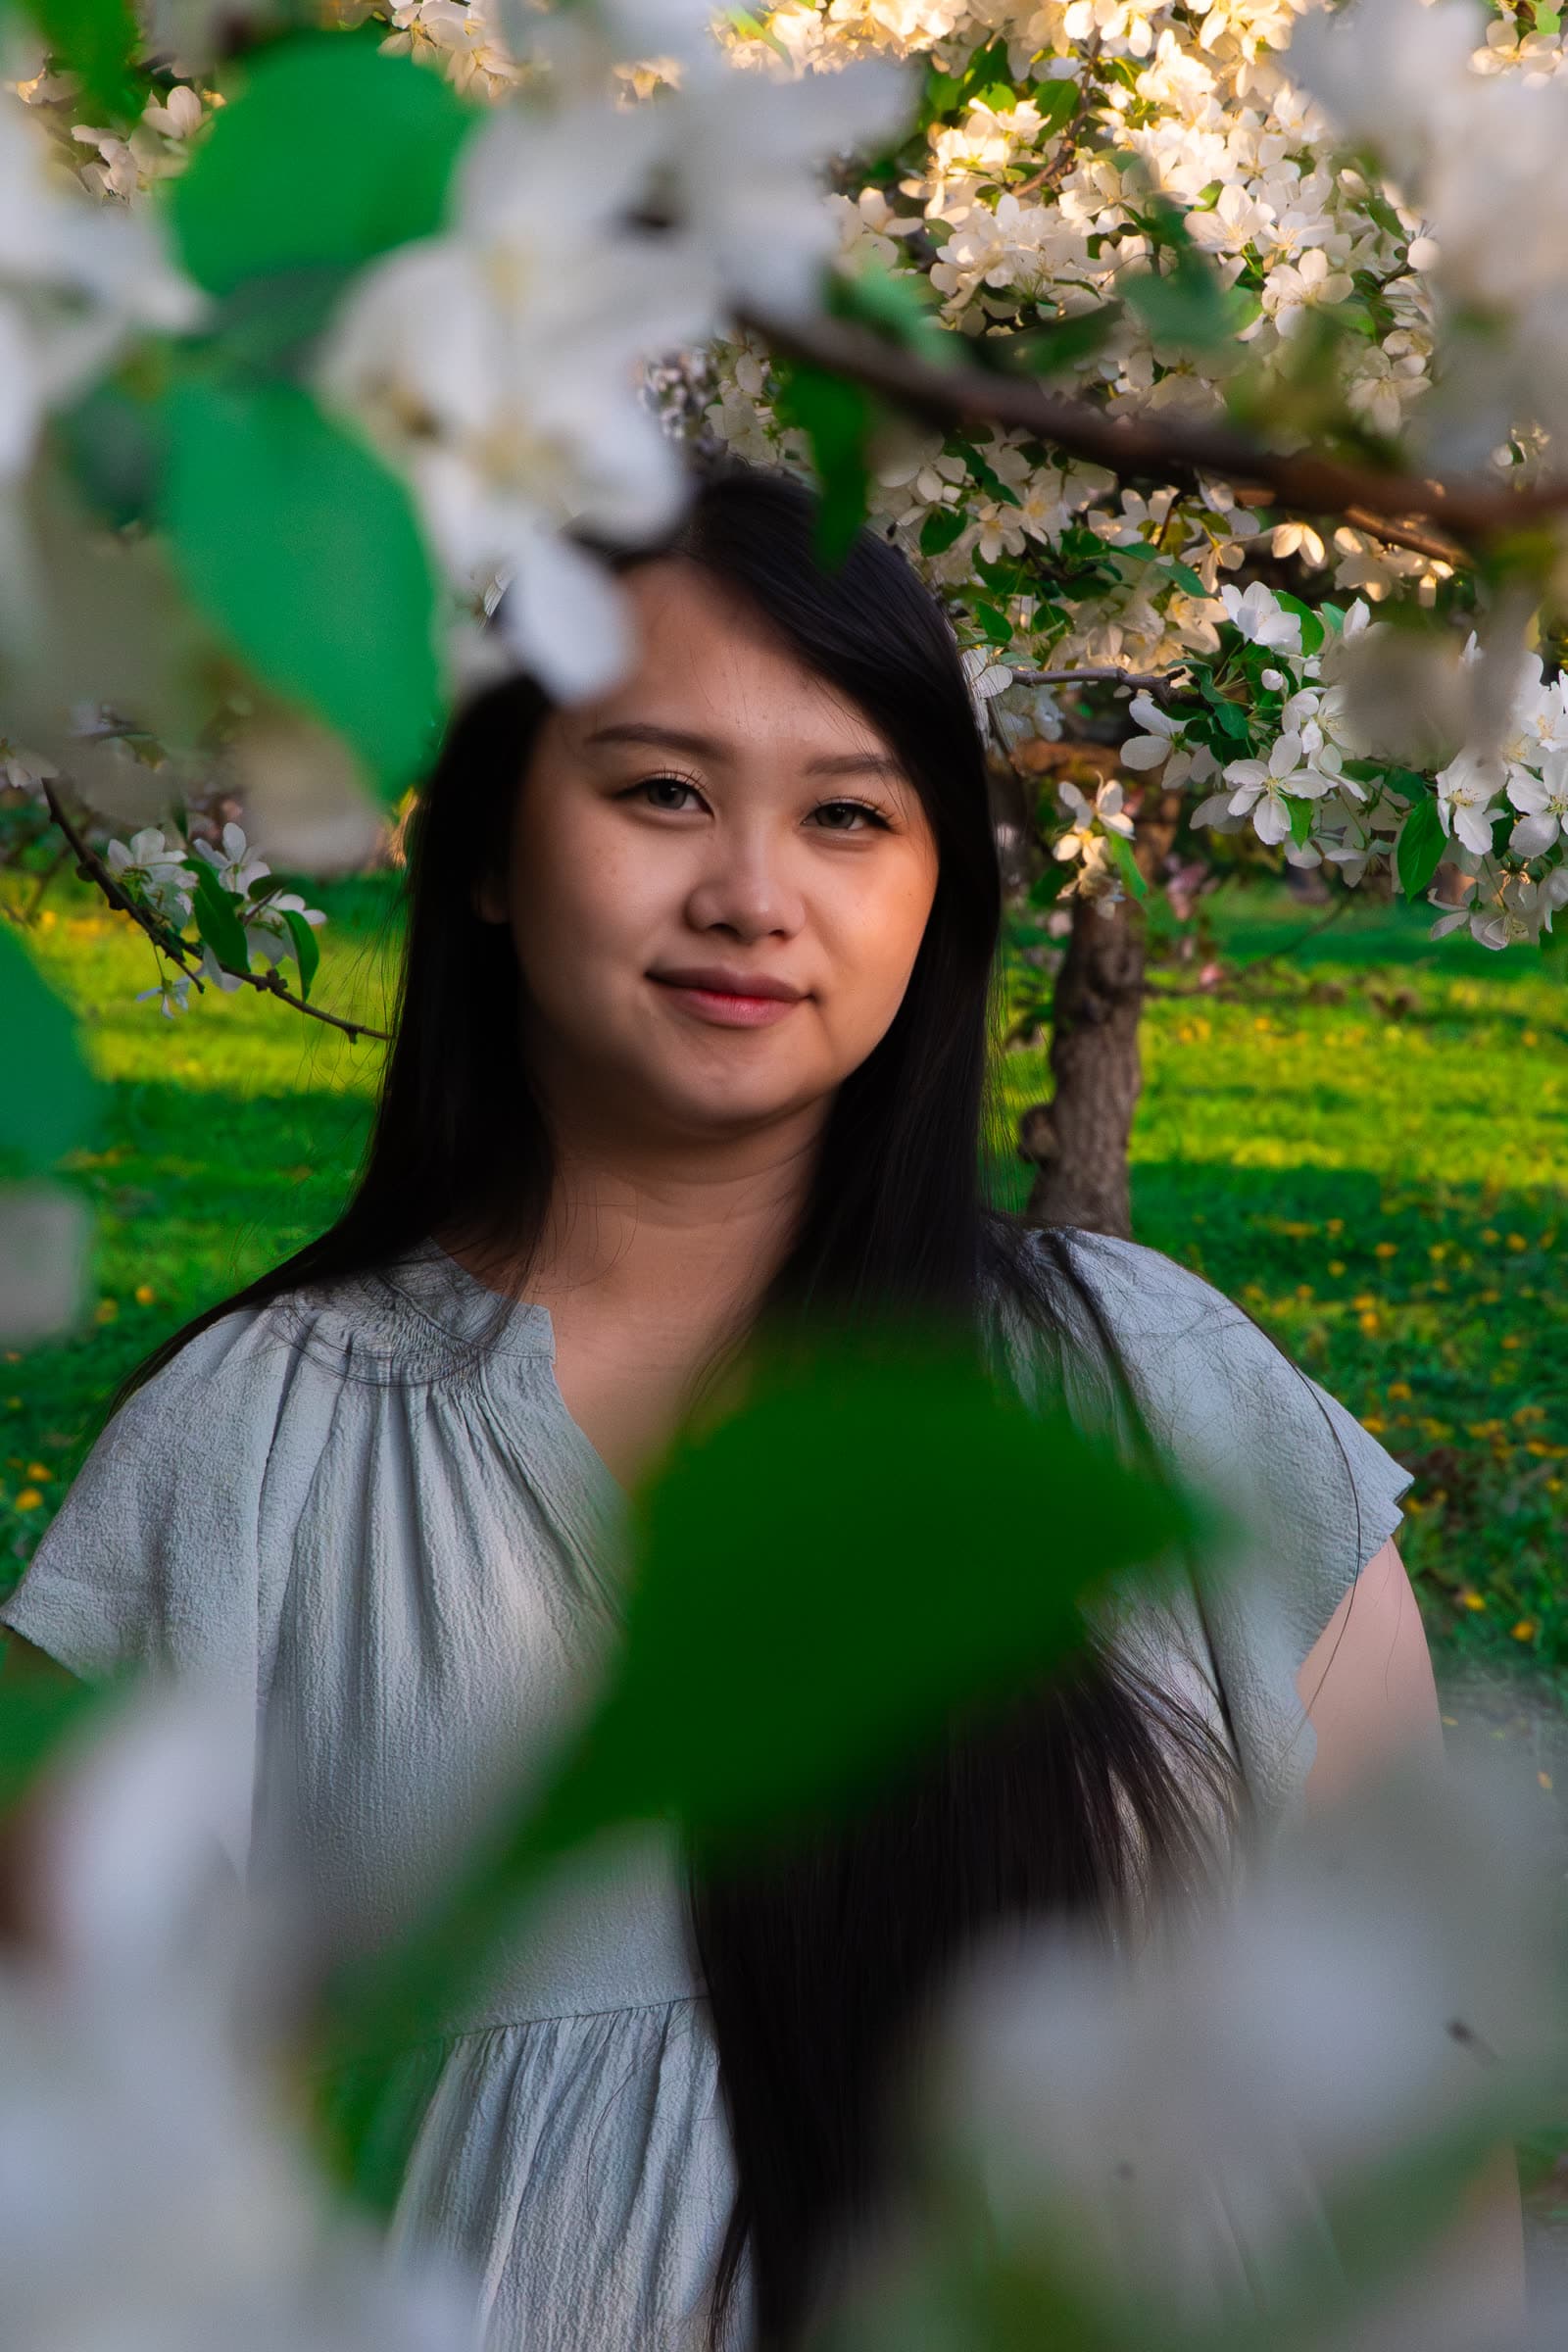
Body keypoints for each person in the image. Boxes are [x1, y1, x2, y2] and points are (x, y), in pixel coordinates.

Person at [0, 463, 1515, 2347]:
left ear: (937, 890)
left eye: (849, 817)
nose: (750, 894)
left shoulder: (1163, 1396)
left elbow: (1420, 2140)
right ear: (484, 850)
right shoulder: (248, 1455)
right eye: (660, 792)